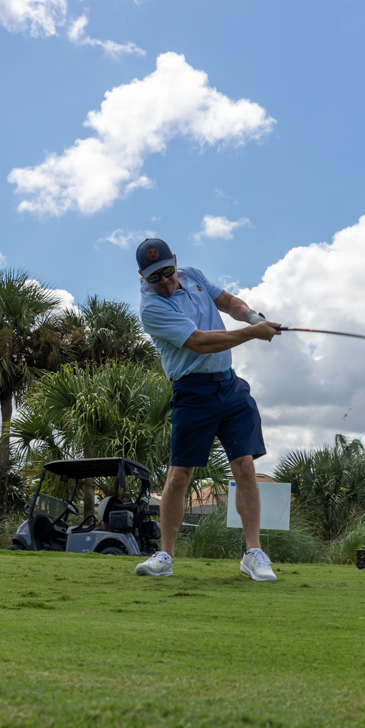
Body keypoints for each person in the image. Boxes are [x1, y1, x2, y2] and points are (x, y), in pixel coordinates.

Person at [133, 237, 281, 582]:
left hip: (230, 386)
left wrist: (252, 315)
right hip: (192, 392)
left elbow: (227, 302)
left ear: (175, 261)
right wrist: (252, 332)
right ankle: (165, 555)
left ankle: (253, 554)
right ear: (142, 277)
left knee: (245, 466)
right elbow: (200, 342)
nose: (164, 281)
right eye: (154, 277)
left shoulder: (193, 275)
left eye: (167, 272)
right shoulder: (151, 308)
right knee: (180, 474)